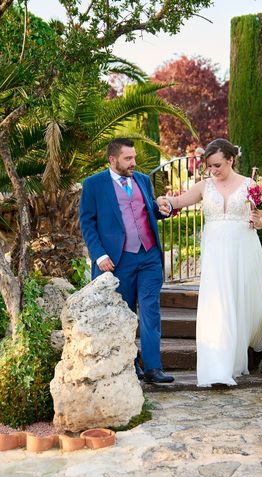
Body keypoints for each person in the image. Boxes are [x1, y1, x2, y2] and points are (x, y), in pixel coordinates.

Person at [157, 138, 262, 387]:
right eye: (210, 166)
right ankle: (218, 370)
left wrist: (257, 219)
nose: (214, 171)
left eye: (218, 165)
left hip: (242, 250)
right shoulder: (204, 186)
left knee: (237, 303)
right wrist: (163, 202)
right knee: (217, 307)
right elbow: (178, 202)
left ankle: (232, 361)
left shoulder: (249, 185)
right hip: (215, 254)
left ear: (230, 160)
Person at [79, 138, 175, 384]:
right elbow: (87, 222)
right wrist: (99, 254)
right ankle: (130, 365)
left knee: (150, 310)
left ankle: (154, 368)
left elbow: (147, 212)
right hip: (118, 260)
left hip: (149, 255)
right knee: (124, 313)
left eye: (134, 157)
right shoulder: (94, 185)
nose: (134, 162)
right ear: (112, 159)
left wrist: (163, 210)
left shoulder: (142, 180)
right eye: (128, 158)